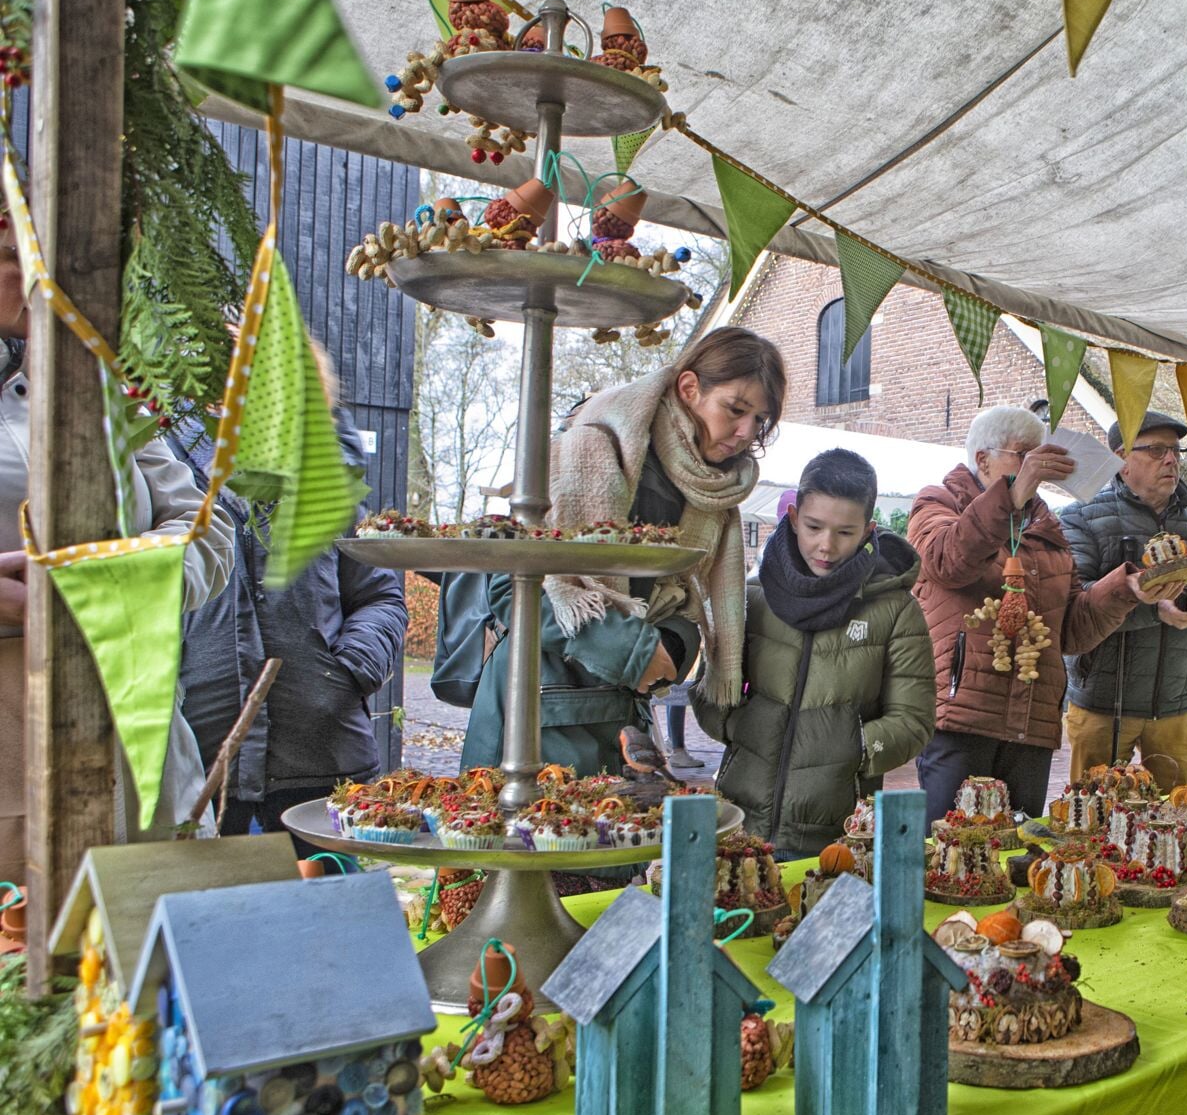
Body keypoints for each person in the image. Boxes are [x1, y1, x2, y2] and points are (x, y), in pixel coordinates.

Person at [0, 229, 235, 877]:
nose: (26, 272)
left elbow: (205, 528)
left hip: (146, 768)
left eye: (33, 252)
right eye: (7, 252)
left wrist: (120, 580)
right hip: (15, 769)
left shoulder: (97, 379)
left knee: (161, 959)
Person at [455, 326, 786, 778]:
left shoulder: (714, 493)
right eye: (736, 409)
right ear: (690, 389)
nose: (747, 432)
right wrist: (630, 650)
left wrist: (671, 645)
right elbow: (509, 587)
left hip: (628, 725)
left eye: (760, 421)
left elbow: (683, 601)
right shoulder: (592, 445)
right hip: (535, 722)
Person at [172, 402, 407, 845]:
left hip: (320, 754)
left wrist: (348, 670)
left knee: (325, 903)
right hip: (197, 758)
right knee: (208, 910)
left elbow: (379, 596)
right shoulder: (163, 481)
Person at [908, 405, 1152, 823]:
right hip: (961, 719)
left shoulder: (1046, 528)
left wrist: (1124, 588)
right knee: (947, 847)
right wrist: (1012, 493)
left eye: (1041, 456)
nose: (1039, 468)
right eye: (1025, 455)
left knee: (1017, 853)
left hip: (1032, 727)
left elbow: (1071, 631)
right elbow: (947, 561)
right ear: (983, 459)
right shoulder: (938, 502)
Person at [694, 449, 933, 856]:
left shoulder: (896, 611)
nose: (826, 545)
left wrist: (851, 745)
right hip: (739, 824)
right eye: (814, 527)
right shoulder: (752, 598)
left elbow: (914, 720)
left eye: (844, 532)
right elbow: (709, 688)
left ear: (868, 530)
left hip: (838, 835)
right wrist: (739, 724)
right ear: (793, 518)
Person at [1058, 410, 1187, 787]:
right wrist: (1155, 612)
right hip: (1103, 707)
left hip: (1179, 707)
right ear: (1121, 460)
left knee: (1176, 824)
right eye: (1155, 450)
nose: (1170, 459)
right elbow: (1073, 611)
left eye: (1175, 451)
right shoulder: (1081, 519)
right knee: (1092, 823)